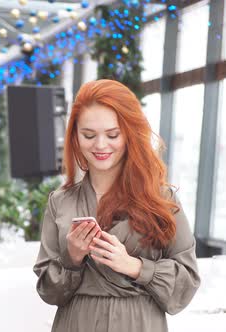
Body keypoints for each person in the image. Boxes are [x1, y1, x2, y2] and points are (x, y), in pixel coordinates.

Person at [33, 79, 200, 332]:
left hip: (140, 324)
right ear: (75, 137)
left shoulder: (161, 199)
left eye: (112, 135)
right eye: (89, 135)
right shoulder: (60, 201)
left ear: (129, 134)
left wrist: (134, 266)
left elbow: (187, 281)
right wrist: (73, 258)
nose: (100, 145)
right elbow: (49, 291)